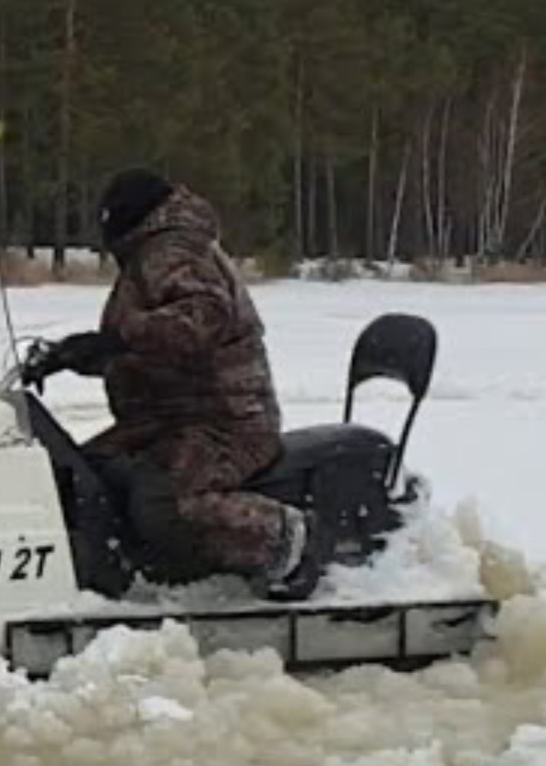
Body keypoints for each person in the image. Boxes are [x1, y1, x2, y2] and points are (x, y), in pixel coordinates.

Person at [21, 168, 333, 600]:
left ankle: (286, 537)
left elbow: (202, 318)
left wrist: (118, 338)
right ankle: (111, 574)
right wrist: (76, 354)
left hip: (223, 420)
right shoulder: (153, 253)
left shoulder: (175, 250)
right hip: (164, 422)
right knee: (82, 478)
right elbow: (149, 345)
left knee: (166, 505)